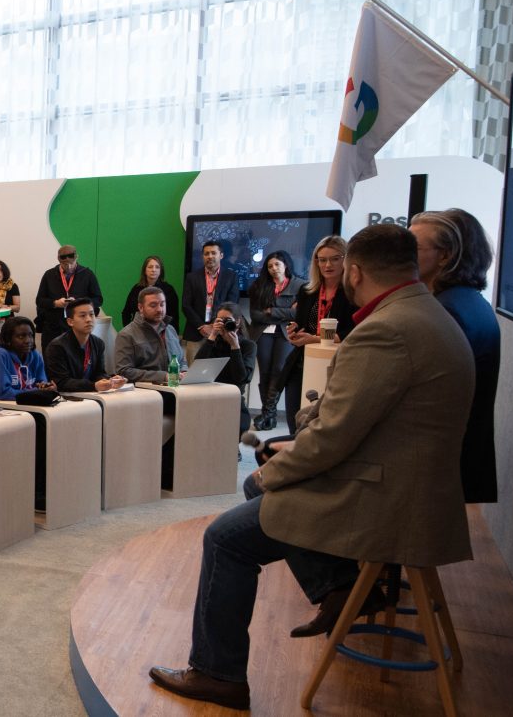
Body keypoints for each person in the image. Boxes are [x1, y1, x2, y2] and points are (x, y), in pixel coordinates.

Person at [148, 224, 475, 710]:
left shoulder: (386, 329)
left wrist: (270, 472)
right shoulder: (430, 313)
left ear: (355, 271)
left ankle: (218, 674)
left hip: (387, 498)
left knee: (228, 534)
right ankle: (340, 587)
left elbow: (330, 441)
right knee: (268, 480)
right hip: (412, 485)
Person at [410, 208, 500, 504]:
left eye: (414, 247)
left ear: (446, 256)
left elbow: (426, 395)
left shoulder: (448, 311)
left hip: (437, 461)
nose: (404, 255)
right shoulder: (468, 302)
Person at [278, 235, 357, 434]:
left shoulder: (354, 293)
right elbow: (305, 326)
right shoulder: (308, 291)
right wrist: (295, 331)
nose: (327, 264)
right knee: (295, 423)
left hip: (336, 364)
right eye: (322, 260)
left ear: (346, 260)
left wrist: (317, 339)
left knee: (321, 428)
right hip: (302, 362)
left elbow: (354, 331)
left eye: (334, 259)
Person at [247, 251, 298, 431]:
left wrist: (272, 311)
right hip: (263, 333)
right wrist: (284, 312)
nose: (274, 269)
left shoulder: (299, 285)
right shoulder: (259, 285)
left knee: (278, 370)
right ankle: (268, 415)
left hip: (285, 334)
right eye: (270, 266)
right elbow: (255, 315)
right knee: (266, 372)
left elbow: (297, 314)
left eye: (277, 265)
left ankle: (268, 414)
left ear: (286, 265)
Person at [194, 303, 257, 434]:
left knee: (240, 425)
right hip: (210, 395)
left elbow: (242, 378)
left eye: (227, 320)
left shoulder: (248, 346)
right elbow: (197, 366)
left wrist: (235, 347)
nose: (223, 324)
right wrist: (212, 336)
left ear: (238, 322)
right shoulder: (212, 343)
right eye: (219, 321)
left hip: (233, 397)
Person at [44, 298, 123, 394]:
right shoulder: (57, 347)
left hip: (90, 394)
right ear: (70, 322)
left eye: (91, 314)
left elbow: (99, 373)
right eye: (82, 316)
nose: (89, 319)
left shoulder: (98, 343)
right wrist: (93, 386)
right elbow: (61, 382)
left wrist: (110, 380)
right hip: (67, 397)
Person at [113, 286, 186, 383]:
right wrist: (163, 376)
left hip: (176, 386)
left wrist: (184, 371)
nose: (159, 309)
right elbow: (124, 371)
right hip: (146, 391)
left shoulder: (170, 330)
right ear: (140, 307)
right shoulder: (126, 335)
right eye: (153, 305)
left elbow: (181, 360)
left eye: (162, 304)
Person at [35, 245, 103, 347]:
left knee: (78, 359)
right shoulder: (49, 275)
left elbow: (98, 299)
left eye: (71, 262)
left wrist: (79, 303)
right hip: (53, 327)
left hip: (79, 327)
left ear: (77, 257)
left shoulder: (87, 274)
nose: (69, 267)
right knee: (52, 359)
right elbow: (39, 300)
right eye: (64, 263)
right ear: (58, 259)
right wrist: (55, 303)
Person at [181, 240, 239, 358]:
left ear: (221, 255)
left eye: (213, 253)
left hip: (221, 332)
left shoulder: (231, 277)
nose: (210, 256)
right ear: (203, 256)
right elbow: (186, 305)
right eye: (206, 254)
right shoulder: (192, 277)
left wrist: (214, 325)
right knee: (194, 372)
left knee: (217, 371)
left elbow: (232, 304)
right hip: (196, 332)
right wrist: (201, 326)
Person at [0, 316, 55, 402]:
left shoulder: (35, 355)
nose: (28, 340)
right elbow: (2, 394)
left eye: (30, 335)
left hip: (29, 406)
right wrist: (35, 392)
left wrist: (48, 388)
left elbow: (41, 385)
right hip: (0, 410)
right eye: (21, 337)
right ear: (8, 339)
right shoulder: (0, 356)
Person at [120, 255, 180, 332]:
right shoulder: (136, 288)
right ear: (145, 270)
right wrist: (129, 330)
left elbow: (174, 317)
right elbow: (126, 312)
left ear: (161, 271)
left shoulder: (169, 290)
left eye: (157, 267)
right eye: (150, 267)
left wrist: (171, 335)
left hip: (160, 333)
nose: (153, 270)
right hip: (138, 332)